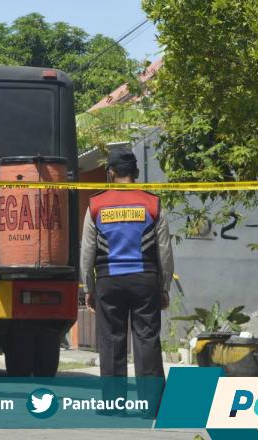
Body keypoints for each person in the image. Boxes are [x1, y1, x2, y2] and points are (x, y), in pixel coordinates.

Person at [80, 148, 174, 415]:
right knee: (147, 340)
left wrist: (89, 287)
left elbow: (87, 251)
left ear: (110, 173)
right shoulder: (152, 203)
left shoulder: (96, 205)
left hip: (109, 281)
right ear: (136, 173)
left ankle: (113, 405)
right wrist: (163, 286)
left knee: (111, 341)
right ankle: (151, 405)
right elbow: (164, 250)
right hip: (145, 280)